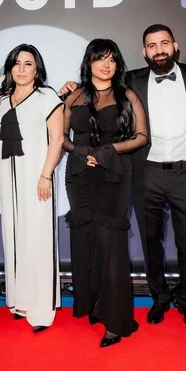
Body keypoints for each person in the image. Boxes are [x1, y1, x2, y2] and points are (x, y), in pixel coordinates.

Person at [61, 24, 186, 328]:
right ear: (144, 52)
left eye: (164, 43)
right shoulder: (131, 81)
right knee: (150, 241)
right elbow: (97, 88)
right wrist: (70, 87)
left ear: (175, 46)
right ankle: (159, 298)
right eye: (152, 45)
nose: (159, 50)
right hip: (147, 173)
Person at [61, 38, 149, 348]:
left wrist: (109, 150)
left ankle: (115, 320)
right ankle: (94, 304)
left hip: (115, 176)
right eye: (100, 59)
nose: (106, 65)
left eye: (112, 59)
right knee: (85, 242)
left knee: (111, 246)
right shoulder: (74, 96)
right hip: (81, 177)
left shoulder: (127, 95)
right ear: (90, 62)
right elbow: (61, 136)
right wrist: (79, 151)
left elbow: (142, 136)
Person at [0, 44, 64, 333]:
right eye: (17, 63)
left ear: (37, 69)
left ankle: (41, 308)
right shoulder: (3, 100)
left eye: (28, 64)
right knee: (15, 238)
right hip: (9, 182)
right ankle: (20, 301)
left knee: (39, 239)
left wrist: (45, 176)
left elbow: (57, 139)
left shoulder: (47, 97)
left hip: (37, 179)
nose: (21, 69)